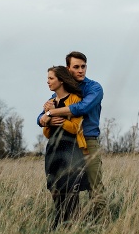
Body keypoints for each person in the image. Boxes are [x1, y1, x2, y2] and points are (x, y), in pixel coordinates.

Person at [37, 51, 105, 216]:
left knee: (94, 183)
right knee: (66, 184)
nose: (81, 70)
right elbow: (41, 117)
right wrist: (45, 117)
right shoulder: (60, 92)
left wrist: (52, 113)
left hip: (87, 141)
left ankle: (102, 223)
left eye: (83, 66)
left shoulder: (94, 88)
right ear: (68, 69)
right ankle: (73, 220)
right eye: (76, 67)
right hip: (66, 143)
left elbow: (81, 108)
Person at [40, 65, 90, 230]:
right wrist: (47, 118)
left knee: (70, 189)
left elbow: (76, 128)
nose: (48, 81)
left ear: (61, 80)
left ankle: (72, 227)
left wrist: (56, 114)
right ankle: (61, 224)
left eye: (51, 78)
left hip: (70, 148)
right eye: (48, 78)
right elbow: (47, 132)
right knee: (55, 188)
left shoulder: (75, 99)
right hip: (53, 148)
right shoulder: (49, 103)